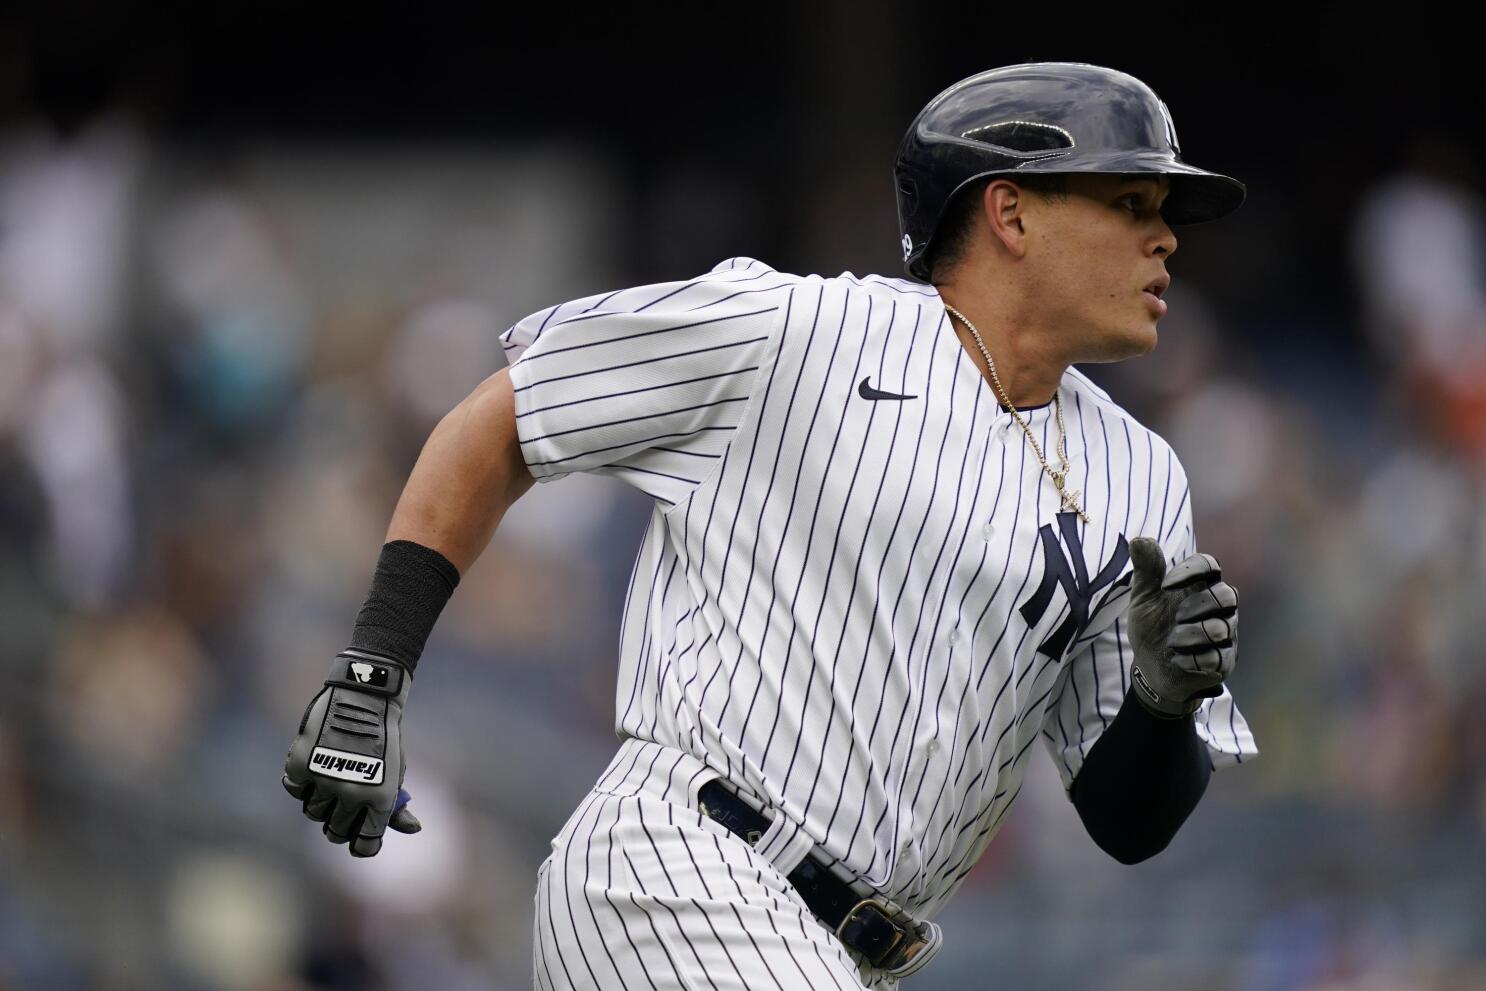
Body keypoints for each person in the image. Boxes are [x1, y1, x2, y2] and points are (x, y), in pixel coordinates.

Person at [282, 61, 1257, 989]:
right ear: (1009, 211)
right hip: (677, 875)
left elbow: (1126, 820)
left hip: (852, 950)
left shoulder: (1141, 475)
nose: (1165, 237)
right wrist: (374, 671)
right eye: (1129, 205)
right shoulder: (797, 332)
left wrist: (1163, 701)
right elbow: (508, 419)